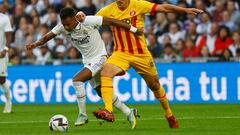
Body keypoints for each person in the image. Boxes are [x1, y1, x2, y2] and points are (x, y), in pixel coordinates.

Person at [76, 0, 203, 129]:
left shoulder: (139, 5)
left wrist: (185, 10)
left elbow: (163, 7)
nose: (119, 1)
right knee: (105, 72)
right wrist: (82, 16)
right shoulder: (108, 10)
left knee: (155, 85)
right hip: (121, 53)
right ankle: (108, 111)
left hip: (141, 54)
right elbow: (89, 21)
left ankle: (169, 114)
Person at [26, 7, 142, 129]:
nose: (66, 27)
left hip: (100, 57)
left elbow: (112, 21)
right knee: (101, 92)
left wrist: (134, 29)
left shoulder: (89, 21)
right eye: (64, 24)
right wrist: (35, 44)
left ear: (75, 18)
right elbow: (47, 37)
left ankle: (83, 115)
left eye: (68, 24)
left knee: (77, 80)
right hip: (87, 61)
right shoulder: (62, 27)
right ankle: (129, 112)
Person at [0, 12, 13, 113]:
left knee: (1, 79)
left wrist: (5, 49)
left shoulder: (4, 18)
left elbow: (9, 35)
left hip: (1, 53)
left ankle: (8, 101)